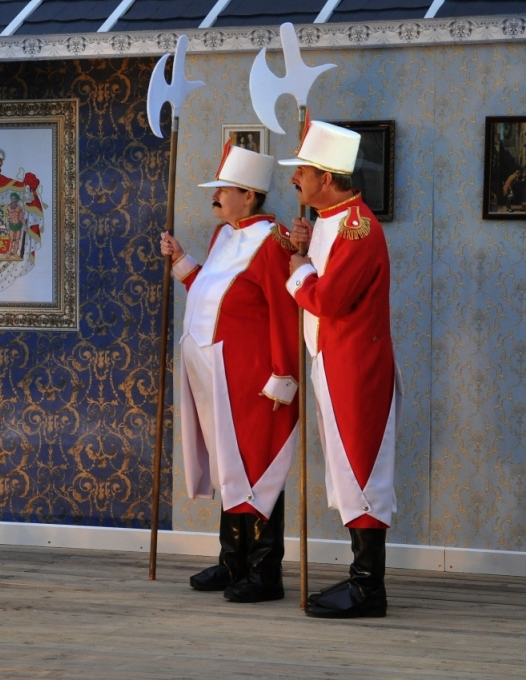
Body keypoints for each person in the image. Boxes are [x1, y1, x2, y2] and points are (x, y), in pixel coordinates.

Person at [160, 143, 299, 603]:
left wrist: (284, 375)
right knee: (228, 464)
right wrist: (182, 260)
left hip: (251, 377)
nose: (215, 196)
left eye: (223, 189)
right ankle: (233, 560)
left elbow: (286, 314)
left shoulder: (274, 242)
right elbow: (214, 294)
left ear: (249, 195)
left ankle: (264, 572)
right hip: (215, 373)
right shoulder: (224, 235)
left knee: (257, 466)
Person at [280, 121, 399, 618]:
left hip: (355, 364)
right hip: (334, 360)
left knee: (361, 469)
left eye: (302, 171)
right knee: (346, 468)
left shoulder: (357, 227)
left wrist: (298, 270)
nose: (294, 179)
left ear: (326, 178)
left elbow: (328, 299)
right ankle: (360, 578)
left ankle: (369, 588)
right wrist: (306, 247)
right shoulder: (331, 219)